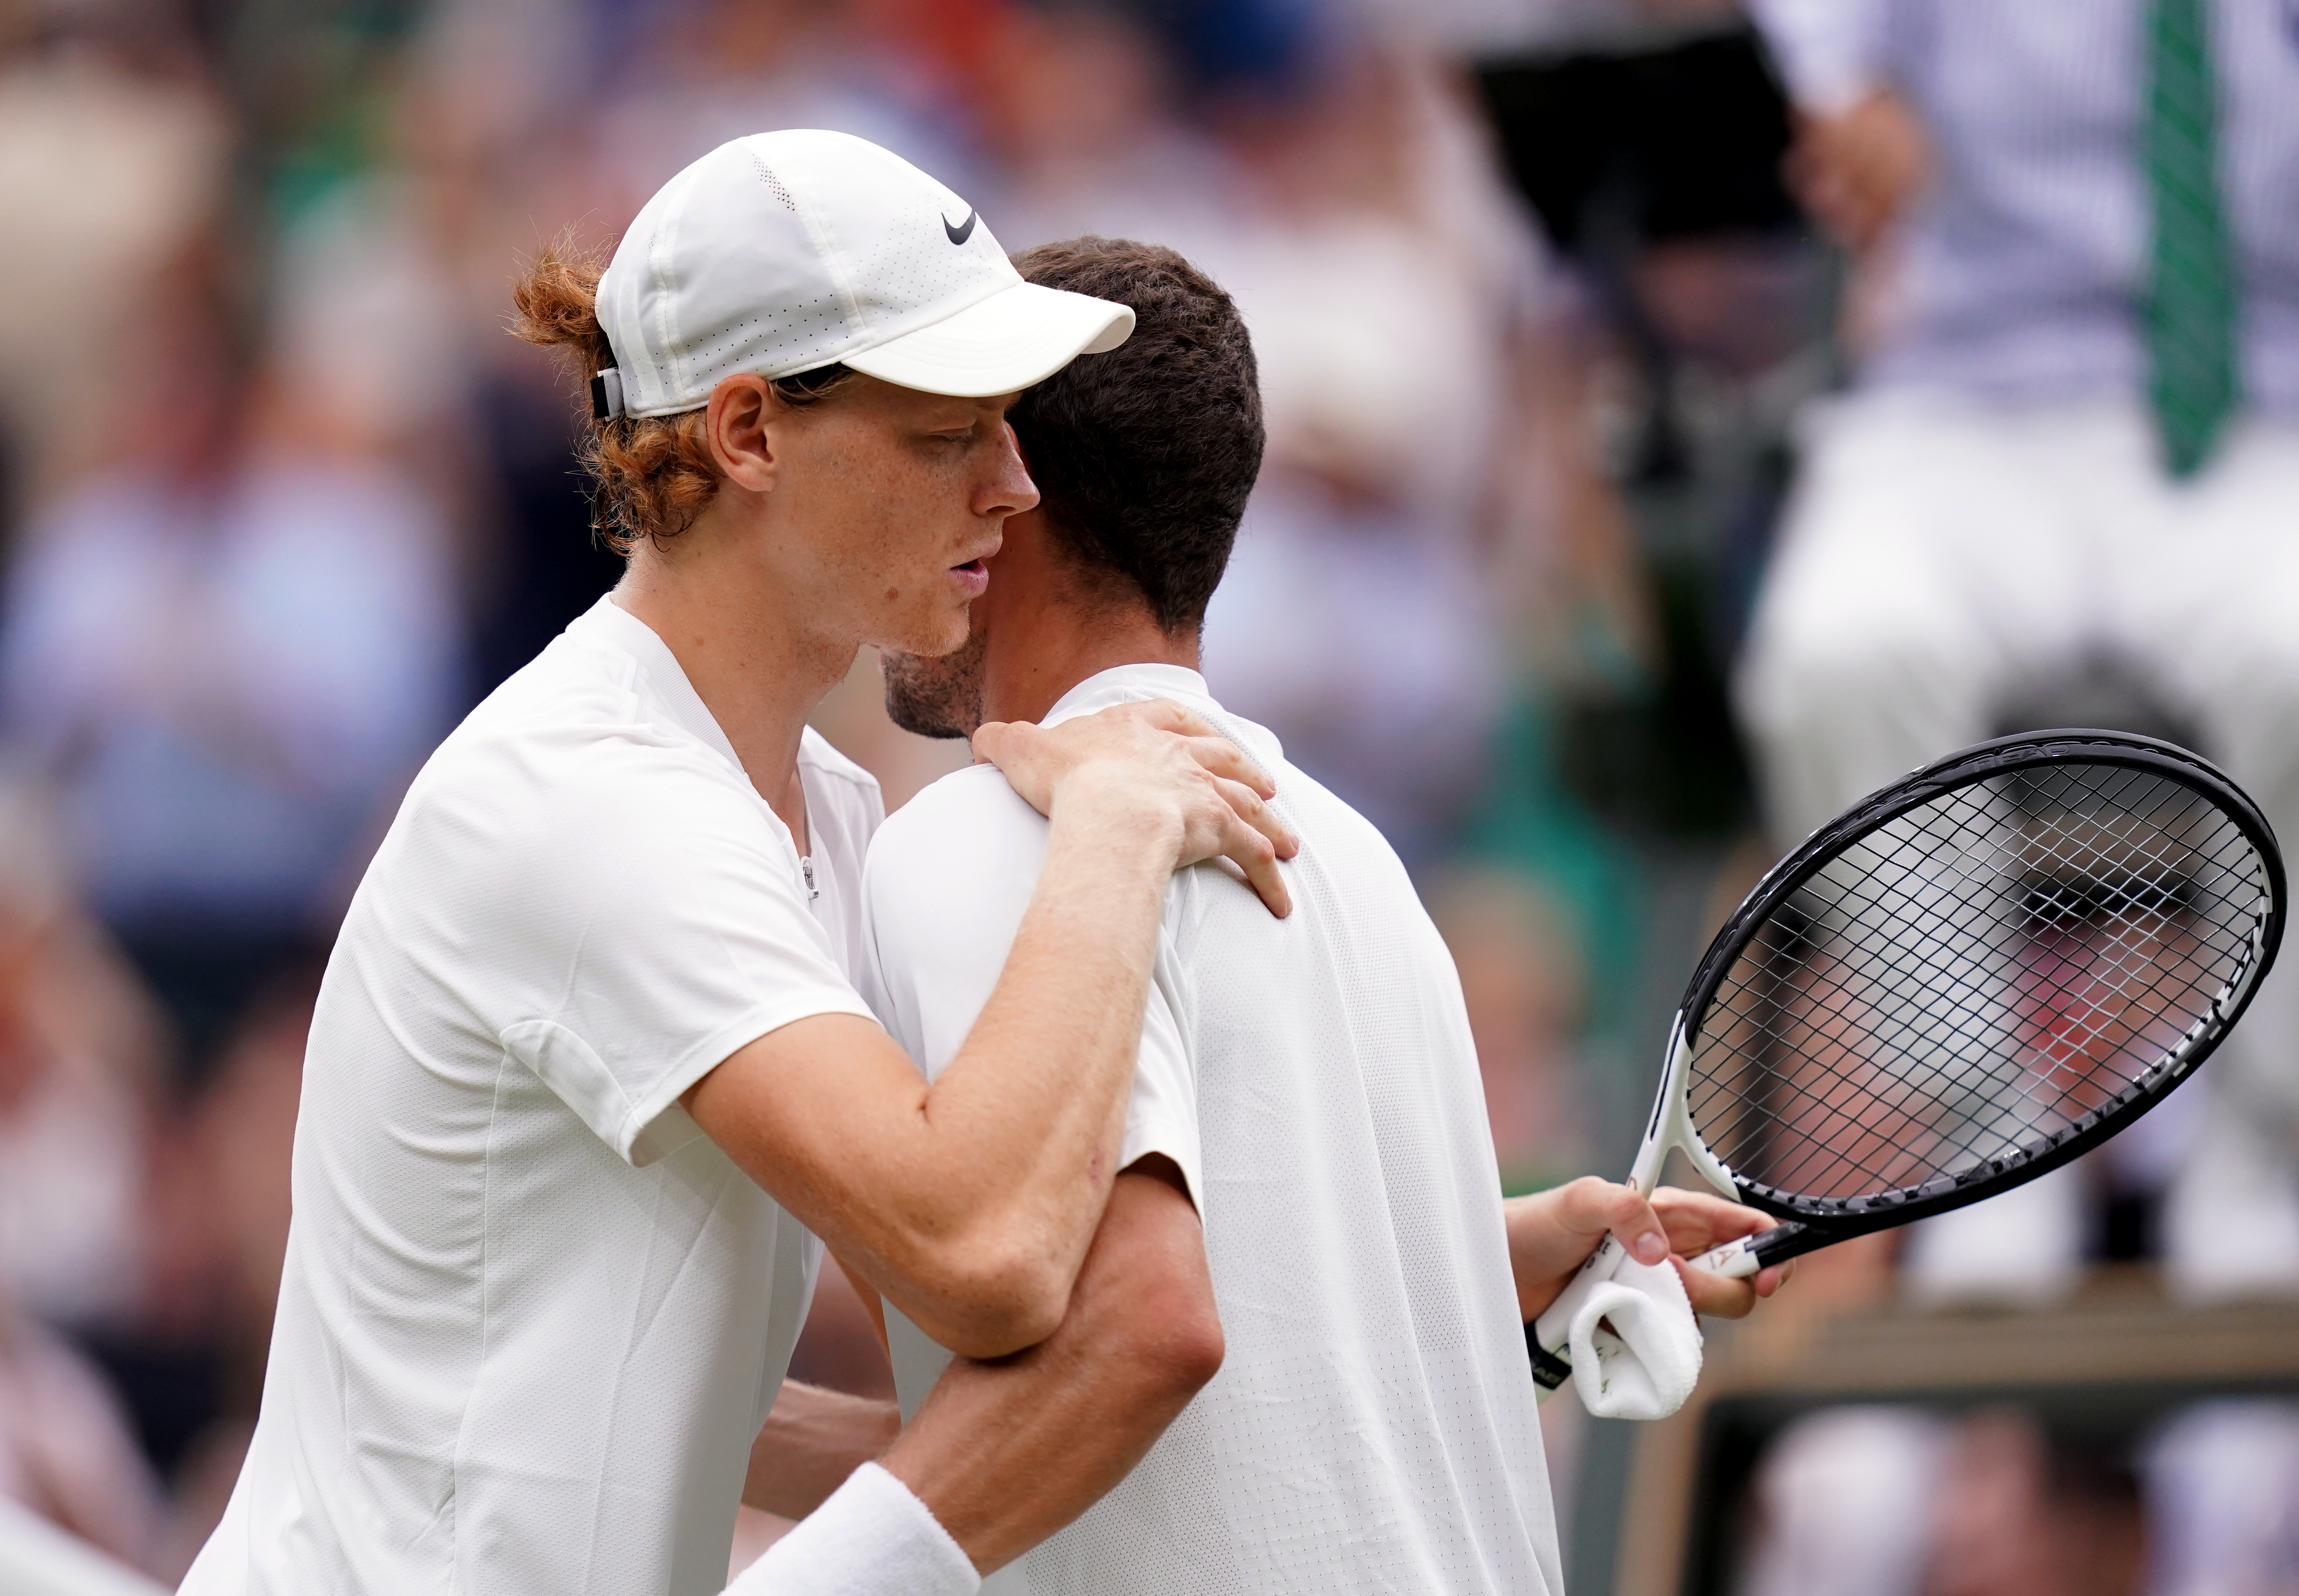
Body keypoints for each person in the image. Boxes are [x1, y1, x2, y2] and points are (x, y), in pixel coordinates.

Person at [177, 130, 1296, 1596]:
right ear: (750, 433)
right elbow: (991, 1252)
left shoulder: (815, 806)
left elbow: (676, 1398)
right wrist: (1115, 825)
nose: (1018, 486)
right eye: (949, 431)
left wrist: (1473, 1261)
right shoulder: (599, 806)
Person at [771, 236, 1782, 1593]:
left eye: (937, 449)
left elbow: (1139, 1341)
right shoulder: (1365, 867)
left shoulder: (980, 836)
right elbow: (1083, 1433)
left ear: (1007, 502)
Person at [1736, 0, 2299, 1303]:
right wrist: (1838, 74)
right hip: (1965, 399)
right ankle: (1988, 1140)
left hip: (2271, 407)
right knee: (1841, 648)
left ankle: (2273, 1137)